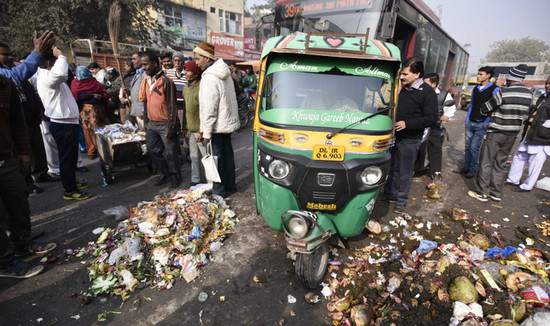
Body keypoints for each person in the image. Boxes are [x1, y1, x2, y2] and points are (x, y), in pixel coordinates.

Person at [0, 75, 57, 278]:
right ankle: (6, 263)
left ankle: (22, 243)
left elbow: (17, 121)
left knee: (19, 203)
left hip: (6, 159)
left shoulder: (5, 85)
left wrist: (24, 151)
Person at [468, 64, 533, 202]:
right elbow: (527, 112)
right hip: (512, 134)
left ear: (510, 78)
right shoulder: (529, 94)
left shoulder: (504, 92)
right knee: (500, 163)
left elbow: (485, 108)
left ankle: (483, 192)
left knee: (486, 162)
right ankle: (496, 193)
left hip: (496, 132)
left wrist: (494, 111)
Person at [382, 58, 438, 213]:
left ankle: (401, 201)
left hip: (411, 139)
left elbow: (432, 118)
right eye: (401, 74)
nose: (402, 77)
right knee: (392, 167)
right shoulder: (404, 89)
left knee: (405, 171)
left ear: (417, 74)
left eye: (405, 74)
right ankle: (389, 194)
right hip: (396, 136)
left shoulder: (427, 92)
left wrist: (407, 124)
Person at [0, 40, 55, 193]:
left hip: (28, 119)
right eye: (5, 55)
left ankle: (40, 173)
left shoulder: (12, 73)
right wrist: (37, 53)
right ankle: (26, 182)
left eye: (11, 54)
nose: (10, 57)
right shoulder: (6, 76)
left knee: (35, 150)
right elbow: (15, 77)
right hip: (9, 130)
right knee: (20, 156)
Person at [37, 48, 91, 200]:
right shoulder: (47, 77)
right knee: (66, 158)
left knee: (71, 157)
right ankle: (70, 190)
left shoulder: (49, 77)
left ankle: (71, 182)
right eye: (57, 63)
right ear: (50, 63)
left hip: (67, 123)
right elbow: (61, 73)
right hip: (63, 124)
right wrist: (61, 56)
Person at [194, 41, 240, 197]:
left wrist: (206, 132)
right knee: (227, 156)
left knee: (216, 160)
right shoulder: (225, 74)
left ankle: (219, 191)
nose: (196, 62)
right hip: (226, 123)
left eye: (198, 58)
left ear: (207, 58)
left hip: (216, 126)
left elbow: (209, 108)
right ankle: (230, 185)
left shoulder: (209, 77)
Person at [139, 50, 181, 188]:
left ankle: (175, 175)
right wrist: (146, 120)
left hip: (165, 123)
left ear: (155, 63)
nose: (143, 68)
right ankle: (165, 172)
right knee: (152, 149)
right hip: (152, 123)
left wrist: (171, 126)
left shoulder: (166, 81)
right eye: (142, 65)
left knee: (171, 152)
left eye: (146, 64)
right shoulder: (146, 81)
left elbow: (172, 105)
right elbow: (145, 101)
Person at [506, 77, 550, 192]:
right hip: (530, 133)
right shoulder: (543, 97)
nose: (547, 86)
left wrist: (545, 125)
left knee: (535, 162)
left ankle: (527, 186)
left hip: (542, 138)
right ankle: (513, 179)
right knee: (519, 156)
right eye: (547, 83)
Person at [455, 67, 500, 178]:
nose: (478, 76)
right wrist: (467, 119)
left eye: (481, 74)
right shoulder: (476, 89)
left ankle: (473, 169)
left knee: (474, 147)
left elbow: (495, 107)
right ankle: (466, 167)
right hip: (471, 121)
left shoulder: (494, 89)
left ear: (488, 75)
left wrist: (487, 121)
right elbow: (472, 105)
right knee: (468, 146)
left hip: (482, 123)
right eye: (478, 74)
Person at [419, 72, 456, 186]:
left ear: (434, 84)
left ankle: (436, 172)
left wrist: (446, 116)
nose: (422, 86)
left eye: (426, 83)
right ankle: (417, 168)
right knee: (417, 147)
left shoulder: (443, 95)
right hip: (420, 125)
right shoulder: (420, 92)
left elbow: (451, 109)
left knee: (435, 148)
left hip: (435, 126)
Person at [71, 66, 109, 159]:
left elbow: (104, 93)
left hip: (99, 110)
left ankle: (104, 149)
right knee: (88, 131)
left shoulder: (94, 82)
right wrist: (92, 95)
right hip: (86, 110)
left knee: (101, 129)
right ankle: (92, 151)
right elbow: (76, 96)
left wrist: (100, 97)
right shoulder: (76, 83)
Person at [182, 60, 205, 185]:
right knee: (194, 157)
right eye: (185, 70)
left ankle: (211, 182)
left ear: (196, 74)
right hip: (190, 129)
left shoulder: (201, 87)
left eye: (188, 70)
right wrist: (184, 127)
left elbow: (204, 110)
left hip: (200, 130)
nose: (185, 72)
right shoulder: (186, 87)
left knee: (206, 158)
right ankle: (195, 180)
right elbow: (186, 109)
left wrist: (202, 131)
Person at [166, 52, 189, 161]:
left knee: (185, 131)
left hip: (184, 107)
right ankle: (178, 154)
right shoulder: (169, 73)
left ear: (183, 62)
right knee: (175, 131)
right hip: (173, 107)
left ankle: (186, 152)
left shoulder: (187, 73)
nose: (177, 63)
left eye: (179, 60)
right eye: (175, 60)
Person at [128, 51, 145, 128]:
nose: (132, 61)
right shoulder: (137, 73)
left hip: (141, 111)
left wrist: (143, 110)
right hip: (136, 110)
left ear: (141, 60)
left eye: (134, 59)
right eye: (132, 59)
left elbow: (146, 92)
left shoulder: (144, 74)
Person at [118, 58, 135, 123]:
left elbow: (136, 91)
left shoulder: (135, 76)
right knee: (124, 121)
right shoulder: (125, 76)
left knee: (131, 121)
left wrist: (127, 99)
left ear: (129, 66)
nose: (124, 67)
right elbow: (122, 87)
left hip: (131, 103)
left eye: (125, 65)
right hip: (123, 103)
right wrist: (120, 97)